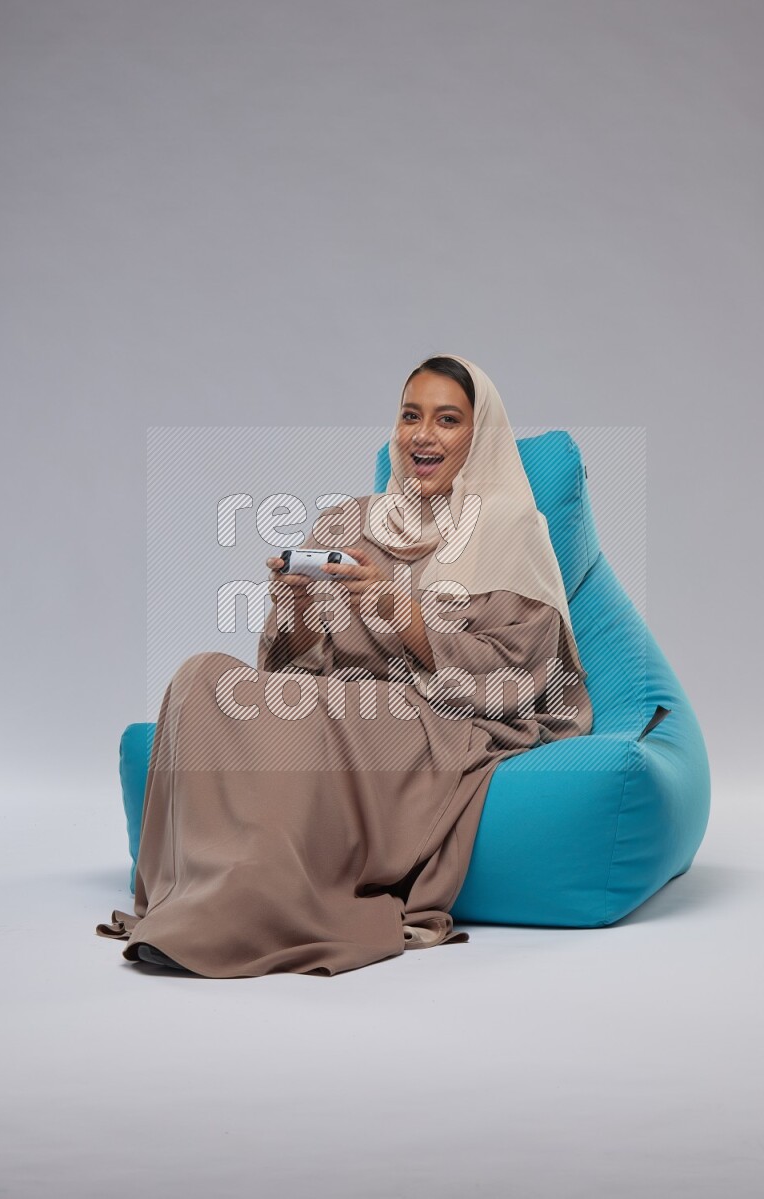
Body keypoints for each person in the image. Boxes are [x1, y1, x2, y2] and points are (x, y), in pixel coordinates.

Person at [96, 353, 593, 977]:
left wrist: (400, 609)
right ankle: (199, 893)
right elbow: (295, 668)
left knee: (311, 718)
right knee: (201, 678)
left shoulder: (508, 526)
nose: (423, 435)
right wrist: (297, 603)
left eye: (447, 420)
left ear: (479, 434)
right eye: (411, 416)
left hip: (433, 714)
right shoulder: (351, 519)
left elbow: (521, 678)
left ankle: (251, 907)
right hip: (336, 698)